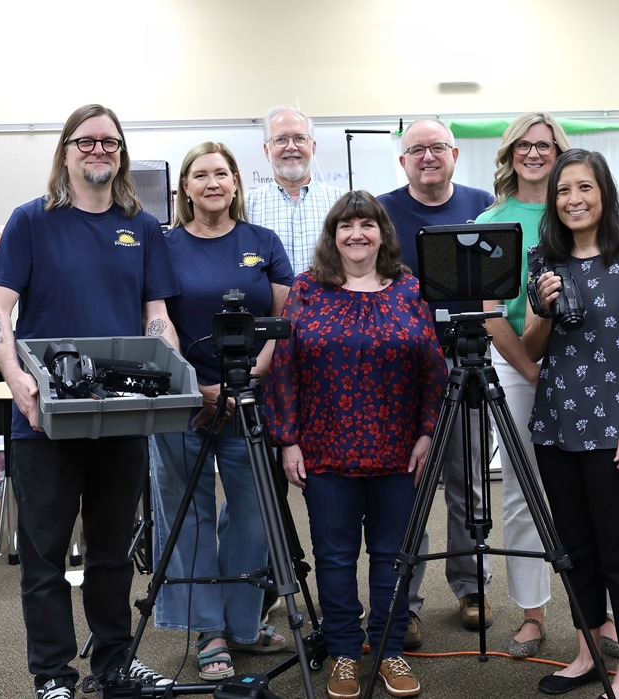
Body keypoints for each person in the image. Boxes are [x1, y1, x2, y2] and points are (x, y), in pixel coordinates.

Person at [0, 104, 177, 699]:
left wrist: (172, 368)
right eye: (86, 141)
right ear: (65, 151)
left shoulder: (141, 227)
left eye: (110, 143)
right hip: (45, 420)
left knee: (113, 553)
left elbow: (157, 316)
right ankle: (53, 676)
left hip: (118, 414)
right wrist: (16, 379)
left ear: (120, 154)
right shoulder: (31, 221)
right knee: (43, 559)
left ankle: (115, 664)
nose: (99, 151)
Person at [268, 190, 447, 699]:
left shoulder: (411, 289)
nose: (356, 235)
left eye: (366, 225)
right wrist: (288, 441)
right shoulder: (307, 289)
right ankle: (346, 652)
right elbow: (284, 369)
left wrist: (427, 432)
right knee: (335, 556)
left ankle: (389, 651)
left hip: (397, 450)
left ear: (382, 233)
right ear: (333, 235)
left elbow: (435, 368)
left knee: (393, 557)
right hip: (325, 450)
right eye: (346, 226)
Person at [149, 142, 294, 681]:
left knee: (252, 513)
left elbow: (283, 320)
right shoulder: (162, 247)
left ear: (236, 183)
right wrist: (200, 388)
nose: (212, 182)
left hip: (251, 395)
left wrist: (249, 377)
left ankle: (241, 622)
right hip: (183, 401)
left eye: (222, 173)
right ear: (184, 187)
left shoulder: (263, 242)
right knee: (187, 510)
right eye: (200, 174)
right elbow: (156, 319)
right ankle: (207, 628)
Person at [523, 149, 619, 699]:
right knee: (573, 547)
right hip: (556, 424)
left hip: (615, 427)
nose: (573, 200)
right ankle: (586, 653)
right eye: (563, 191)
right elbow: (535, 349)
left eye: (584, 188)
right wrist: (542, 306)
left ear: (603, 193)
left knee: (617, 548)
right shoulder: (543, 262)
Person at [378, 119, 495, 648]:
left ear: (454, 154)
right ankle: (407, 602)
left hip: (469, 360)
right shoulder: (381, 212)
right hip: (403, 372)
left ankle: (473, 587)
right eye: (416, 150)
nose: (427, 157)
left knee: (468, 480)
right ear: (402, 161)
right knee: (412, 485)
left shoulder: (484, 202)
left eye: (437, 148)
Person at [473, 112, 578, 658]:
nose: (535, 154)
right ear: (510, 153)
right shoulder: (492, 220)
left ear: (559, 150)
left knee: (587, 489)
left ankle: (598, 612)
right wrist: (530, 370)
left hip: (586, 364)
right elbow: (490, 313)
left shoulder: (579, 208)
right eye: (524, 145)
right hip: (517, 364)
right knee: (522, 490)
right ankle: (532, 615)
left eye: (545, 145)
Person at [246, 106, 343, 275]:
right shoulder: (246, 208)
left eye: (299, 138)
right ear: (267, 150)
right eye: (281, 139)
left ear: (313, 147)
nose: (291, 147)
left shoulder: (341, 203)